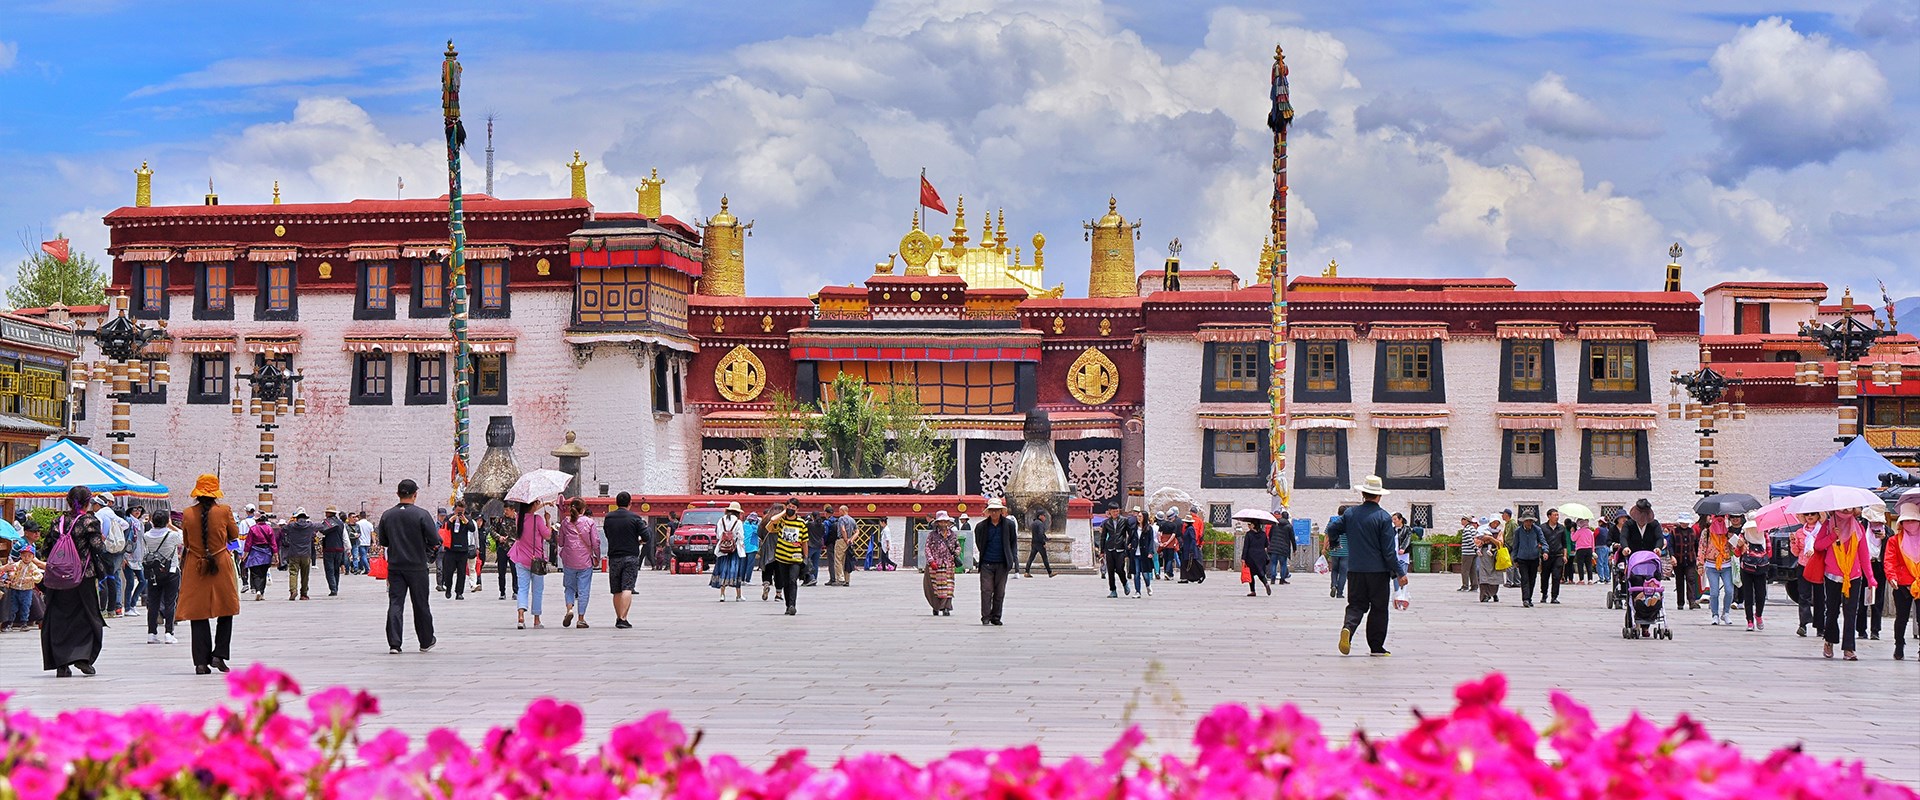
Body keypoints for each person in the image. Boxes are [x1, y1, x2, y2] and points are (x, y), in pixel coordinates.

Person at [1328, 476, 1407, 656]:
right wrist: (1400, 572)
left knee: (1356, 604)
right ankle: (1376, 647)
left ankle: (1348, 628)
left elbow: (1332, 528)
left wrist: (1333, 543)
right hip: (1378, 572)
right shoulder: (1383, 517)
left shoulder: (1349, 514)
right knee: (1378, 608)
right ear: (1379, 496)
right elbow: (1388, 552)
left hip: (1355, 569)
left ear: (1363, 494)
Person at [177, 475, 241, 675]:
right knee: (226, 609)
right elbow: (234, 535)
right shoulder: (224, 511)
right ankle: (219, 655)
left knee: (198, 614)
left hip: (196, 565)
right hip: (220, 563)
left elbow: (186, 542)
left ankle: (200, 663)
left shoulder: (187, 513)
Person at [1811, 506, 1876, 661]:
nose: (1847, 511)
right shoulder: (1828, 525)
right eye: (1843, 508)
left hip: (1853, 576)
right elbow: (1817, 546)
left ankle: (1849, 648)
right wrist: (1832, 536)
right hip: (1832, 575)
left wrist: (1871, 577)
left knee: (1851, 612)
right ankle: (1829, 641)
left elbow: (1864, 554)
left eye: (1850, 508)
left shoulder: (1858, 527)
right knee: (1832, 611)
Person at [508, 498, 554, 630]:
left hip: (521, 559)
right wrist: (548, 521)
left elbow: (529, 511)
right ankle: (536, 619)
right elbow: (548, 536)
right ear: (533, 505)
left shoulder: (519, 519)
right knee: (537, 590)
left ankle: (521, 617)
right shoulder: (538, 520)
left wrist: (544, 504)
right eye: (537, 503)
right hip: (536, 561)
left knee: (522, 588)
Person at [602, 492, 645, 629]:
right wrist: (639, 541)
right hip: (631, 556)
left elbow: (607, 534)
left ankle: (618, 617)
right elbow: (646, 536)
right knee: (627, 587)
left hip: (614, 556)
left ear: (616, 503)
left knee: (616, 589)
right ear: (629, 503)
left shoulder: (608, 518)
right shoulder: (635, 518)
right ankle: (623, 618)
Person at [140, 511, 183, 644]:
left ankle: (151, 633)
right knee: (170, 602)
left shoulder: (146, 536)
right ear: (166, 521)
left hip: (154, 572)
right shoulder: (172, 535)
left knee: (153, 603)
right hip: (171, 571)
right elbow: (184, 537)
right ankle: (169, 633)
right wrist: (172, 526)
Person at [974, 498, 1017, 626]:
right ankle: (985, 616)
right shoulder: (981, 526)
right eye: (992, 511)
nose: (994, 513)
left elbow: (1013, 542)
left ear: (1001, 512)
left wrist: (1011, 558)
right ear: (988, 512)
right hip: (987, 563)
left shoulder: (1009, 525)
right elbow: (979, 543)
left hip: (1002, 563)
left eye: (996, 511)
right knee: (986, 590)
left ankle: (996, 616)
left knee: (1000, 592)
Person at [557, 498, 600, 626]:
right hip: (585, 561)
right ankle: (581, 619)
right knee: (583, 589)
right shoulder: (589, 522)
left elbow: (560, 542)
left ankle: (569, 609)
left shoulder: (565, 522)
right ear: (583, 509)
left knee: (569, 587)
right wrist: (597, 556)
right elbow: (595, 542)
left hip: (569, 560)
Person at [1884, 504, 1917, 661]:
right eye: (1907, 520)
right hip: (1902, 584)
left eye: (1914, 520)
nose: (1911, 524)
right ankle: (1899, 644)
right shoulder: (1894, 541)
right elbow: (1889, 560)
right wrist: (1892, 576)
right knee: (1901, 617)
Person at [766, 498, 809, 615]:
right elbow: (771, 522)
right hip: (781, 557)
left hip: (795, 557)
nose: (791, 509)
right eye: (789, 507)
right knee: (785, 582)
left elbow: (804, 541)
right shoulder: (781, 521)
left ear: (797, 509)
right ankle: (787, 605)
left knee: (792, 580)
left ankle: (792, 605)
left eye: (793, 507)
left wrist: (806, 557)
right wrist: (784, 512)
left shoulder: (801, 523)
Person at [1790, 511, 1826, 638]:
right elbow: (1795, 553)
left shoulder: (1823, 531)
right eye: (1807, 514)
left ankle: (1820, 626)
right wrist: (1793, 542)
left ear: (1818, 516)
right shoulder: (1800, 532)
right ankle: (1803, 624)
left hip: (1818, 566)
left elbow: (1825, 548)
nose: (1810, 516)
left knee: (1819, 597)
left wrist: (1815, 550)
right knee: (1803, 596)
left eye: (1813, 514)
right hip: (1803, 565)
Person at [1698, 516, 1737, 625]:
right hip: (1711, 565)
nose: (1719, 520)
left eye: (1721, 518)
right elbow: (1701, 548)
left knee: (1729, 590)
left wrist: (1735, 540)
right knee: (1714, 592)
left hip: (1726, 564)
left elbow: (1736, 549)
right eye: (1716, 518)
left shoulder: (1728, 532)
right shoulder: (1707, 533)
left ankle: (1726, 613)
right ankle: (1715, 614)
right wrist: (1700, 564)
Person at [1734, 520, 1772, 632]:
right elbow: (1736, 553)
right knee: (1748, 595)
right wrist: (1740, 546)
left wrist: (1760, 553)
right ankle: (1749, 620)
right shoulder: (1743, 536)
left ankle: (1758, 615)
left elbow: (1769, 553)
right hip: (1746, 568)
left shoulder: (1765, 534)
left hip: (1761, 568)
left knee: (1761, 594)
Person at [279, 508, 319, 601]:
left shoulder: (292, 526)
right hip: (306, 554)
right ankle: (304, 594)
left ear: (296, 518)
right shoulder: (310, 526)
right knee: (305, 574)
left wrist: (291, 520)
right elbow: (321, 526)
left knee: (293, 573)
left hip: (294, 553)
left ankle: (293, 590)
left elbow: (283, 529)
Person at [923, 511, 959, 616]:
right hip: (935, 565)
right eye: (941, 521)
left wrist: (955, 554)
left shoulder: (952, 535)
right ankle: (936, 606)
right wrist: (931, 560)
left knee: (948, 587)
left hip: (948, 564)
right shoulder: (932, 535)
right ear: (937, 523)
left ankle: (946, 607)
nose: (943, 524)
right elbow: (927, 548)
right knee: (936, 587)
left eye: (945, 521)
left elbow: (958, 546)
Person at [709, 501, 746, 602]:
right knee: (736, 571)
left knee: (723, 571)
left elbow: (718, 535)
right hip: (734, 550)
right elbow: (741, 536)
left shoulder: (721, 520)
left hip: (723, 550)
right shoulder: (738, 522)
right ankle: (738, 595)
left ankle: (722, 594)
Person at [1510, 514, 1547, 608]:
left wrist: (1545, 551)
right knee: (1525, 579)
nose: (1528, 523)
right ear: (1523, 521)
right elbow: (1515, 545)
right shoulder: (1518, 531)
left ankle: (1529, 598)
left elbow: (1543, 541)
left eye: (1530, 521)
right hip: (1522, 558)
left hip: (1534, 558)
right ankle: (1525, 599)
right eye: (1527, 521)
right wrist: (1514, 558)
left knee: (1532, 579)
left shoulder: (1537, 530)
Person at [1097, 504, 1134, 598]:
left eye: (1117, 511)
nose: (1115, 513)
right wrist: (1102, 551)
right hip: (1109, 548)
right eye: (1113, 511)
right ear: (1109, 511)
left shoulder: (1124, 521)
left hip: (1120, 548)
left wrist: (1129, 544)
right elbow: (1103, 537)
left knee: (1119, 568)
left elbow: (1130, 533)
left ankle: (1125, 583)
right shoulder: (1106, 523)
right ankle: (1113, 590)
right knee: (1110, 570)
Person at [442, 506, 478, 600]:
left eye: (461, 511)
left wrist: (465, 520)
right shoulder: (449, 517)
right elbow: (444, 527)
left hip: (463, 550)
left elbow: (472, 528)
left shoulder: (467, 518)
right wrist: (451, 520)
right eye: (458, 511)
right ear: (454, 510)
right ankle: (448, 588)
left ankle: (459, 592)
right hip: (451, 550)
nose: (460, 513)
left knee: (461, 573)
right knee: (448, 572)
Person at [240, 511, 276, 601]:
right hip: (266, 553)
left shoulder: (252, 529)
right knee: (263, 574)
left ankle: (258, 591)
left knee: (255, 573)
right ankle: (262, 592)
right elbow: (273, 543)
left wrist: (244, 555)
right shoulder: (269, 529)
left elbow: (248, 544)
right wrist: (276, 556)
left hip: (255, 554)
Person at [123, 505, 149, 613]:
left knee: (143, 581)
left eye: (139, 509)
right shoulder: (127, 521)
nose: (137, 511)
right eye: (135, 509)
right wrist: (123, 556)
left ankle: (132, 604)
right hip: (128, 556)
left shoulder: (140, 523)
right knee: (130, 582)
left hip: (139, 557)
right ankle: (128, 607)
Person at [319, 508, 348, 596]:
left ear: (328, 513)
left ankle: (333, 589)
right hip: (339, 548)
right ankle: (336, 587)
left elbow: (321, 533)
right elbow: (344, 537)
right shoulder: (341, 523)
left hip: (328, 548)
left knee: (329, 569)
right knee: (336, 569)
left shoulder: (325, 523)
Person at [1540, 509, 1568, 604]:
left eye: (1557, 515)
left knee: (1557, 576)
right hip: (1546, 555)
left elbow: (1564, 543)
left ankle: (1554, 596)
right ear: (1549, 516)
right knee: (1545, 576)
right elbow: (1539, 541)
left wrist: (1565, 555)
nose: (1557, 517)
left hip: (1558, 555)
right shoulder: (1542, 528)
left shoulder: (1561, 528)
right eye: (1554, 515)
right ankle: (1544, 594)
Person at [1474, 517, 1504, 603]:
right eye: (1494, 522)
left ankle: (1493, 593)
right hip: (1484, 555)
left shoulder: (1499, 532)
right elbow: (1477, 540)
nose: (1495, 524)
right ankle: (1485, 595)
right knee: (1484, 575)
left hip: (1495, 555)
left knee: (1495, 575)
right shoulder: (1483, 530)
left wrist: (1490, 539)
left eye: (1497, 523)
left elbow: (1500, 543)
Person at [1128, 507, 1155, 597]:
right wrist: (1128, 545)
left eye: (1140, 516)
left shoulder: (1149, 529)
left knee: (1145, 574)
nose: (1138, 518)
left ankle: (1148, 585)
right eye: (1138, 516)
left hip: (1145, 553)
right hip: (1135, 553)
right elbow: (1130, 538)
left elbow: (1151, 541)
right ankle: (1137, 591)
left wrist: (1151, 552)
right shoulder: (1133, 528)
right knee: (1136, 573)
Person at [1242, 519, 1273, 597]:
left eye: (1250, 524)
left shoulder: (1249, 534)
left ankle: (1253, 591)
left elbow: (1246, 547)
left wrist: (1243, 558)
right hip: (1261, 556)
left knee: (1251, 574)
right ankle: (1266, 583)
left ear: (1254, 525)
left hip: (1251, 556)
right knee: (1260, 572)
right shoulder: (1263, 534)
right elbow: (1266, 545)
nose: (1249, 526)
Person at [829, 505, 856, 587]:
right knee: (846, 560)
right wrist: (851, 540)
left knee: (838, 560)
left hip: (842, 540)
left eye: (839, 511)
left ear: (842, 510)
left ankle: (840, 579)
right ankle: (847, 580)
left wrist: (845, 539)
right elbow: (857, 531)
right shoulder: (852, 520)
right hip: (849, 542)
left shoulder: (841, 519)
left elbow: (843, 529)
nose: (838, 512)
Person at [1178, 508, 1206, 584]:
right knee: (1187, 563)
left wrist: (1192, 547)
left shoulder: (1190, 529)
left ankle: (1199, 575)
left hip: (1190, 548)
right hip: (1188, 547)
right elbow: (1200, 534)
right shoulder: (1198, 522)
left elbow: (1193, 538)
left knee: (1192, 563)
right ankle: (1186, 577)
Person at [1325, 509, 1349, 599]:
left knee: (1334, 570)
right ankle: (1339, 593)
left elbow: (1327, 535)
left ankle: (1333, 585)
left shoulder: (1332, 520)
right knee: (1343, 572)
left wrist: (1325, 547)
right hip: (1346, 551)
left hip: (1334, 550)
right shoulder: (1348, 522)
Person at [1025, 508, 1055, 578]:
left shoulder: (1034, 523)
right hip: (1040, 543)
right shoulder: (1040, 524)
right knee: (1045, 558)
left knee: (1031, 558)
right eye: (1044, 516)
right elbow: (1040, 534)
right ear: (1040, 516)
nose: (1045, 517)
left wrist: (1047, 538)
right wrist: (1044, 542)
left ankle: (1026, 572)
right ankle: (1050, 572)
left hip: (1034, 543)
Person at [1455, 515, 1479, 592]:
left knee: (1465, 570)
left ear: (1466, 521)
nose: (1461, 521)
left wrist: (1474, 548)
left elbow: (1470, 540)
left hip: (1467, 552)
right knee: (1473, 570)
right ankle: (1474, 585)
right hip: (1473, 553)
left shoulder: (1467, 530)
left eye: (1463, 519)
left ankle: (1465, 585)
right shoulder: (1473, 529)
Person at [1269, 512, 1294, 585]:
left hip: (1274, 547)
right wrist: (1294, 548)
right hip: (1284, 548)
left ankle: (1273, 579)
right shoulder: (1289, 526)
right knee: (1283, 564)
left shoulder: (1275, 524)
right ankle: (1282, 579)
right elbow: (1292, 538)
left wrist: (1271, 544)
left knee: (1273, 563)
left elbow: (1270, 535)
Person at [1570, 517, 1596, 586]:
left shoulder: (1579, 531)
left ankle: (1581, 579)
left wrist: (1572, 532)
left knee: (1580, 565)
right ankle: (1590, 580)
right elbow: (1593, 542)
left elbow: (1573, 539)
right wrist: (1593, 550)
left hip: (1580, 549)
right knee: (1589, 565)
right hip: (1589, 549)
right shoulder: (1590, 532)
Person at [1594, 516, 1615, 584]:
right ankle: (1607, 578)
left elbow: (1594, 537)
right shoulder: (1607, 530)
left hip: (1599, 547)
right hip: (1606, 548)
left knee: (1599, 563)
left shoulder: (1598, 529)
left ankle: (1601, 578)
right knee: (1605, 563)